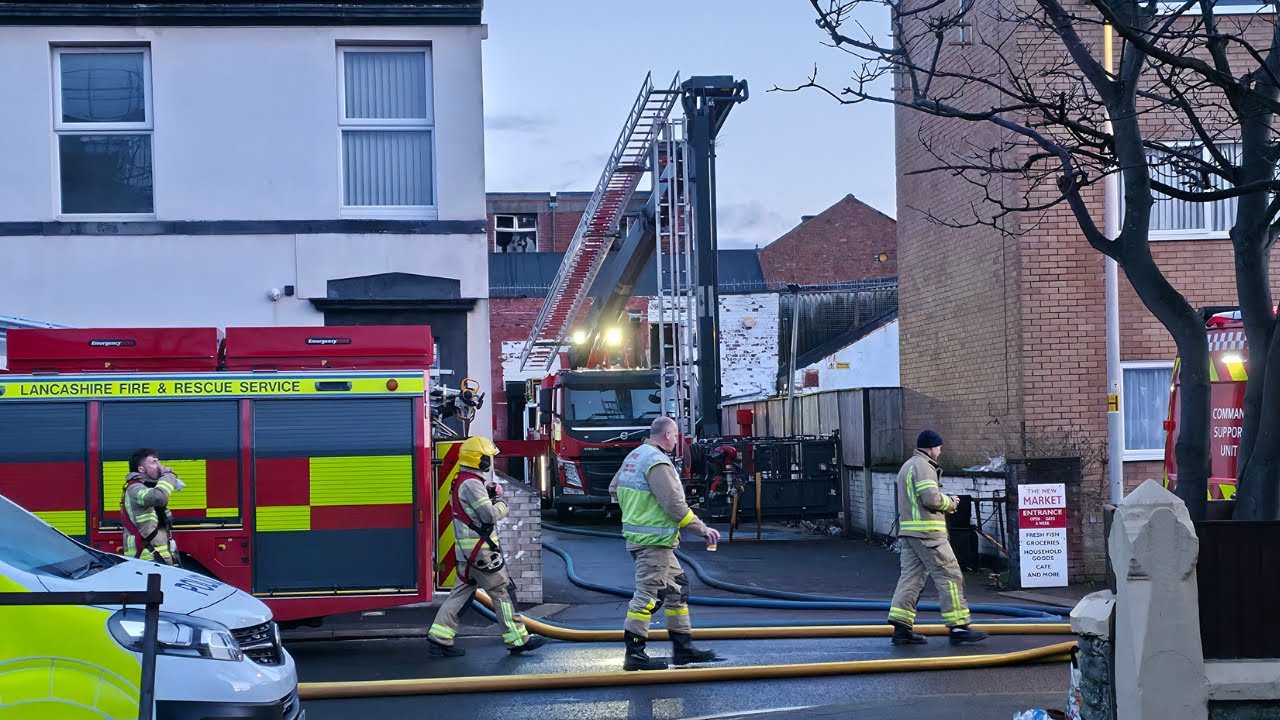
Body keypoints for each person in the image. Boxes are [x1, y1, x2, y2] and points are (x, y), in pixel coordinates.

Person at [609, 416, 721, 671]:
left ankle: (683, 648)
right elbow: (674, 505)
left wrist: (637, 512)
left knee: (677, 590)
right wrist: (703, 529)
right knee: (649, 595)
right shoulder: (657, 462)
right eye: (676, 435)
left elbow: (614, 488)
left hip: (651, 542)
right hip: (654, 543)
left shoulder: (636, 456)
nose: (677, 440)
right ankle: (635, 654)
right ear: (669, 434)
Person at [427, 435, 545, 657]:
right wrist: (502, 504)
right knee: (503, 593)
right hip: (482, 554)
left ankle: (439, 637)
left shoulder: (462, 480)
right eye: (487, 458)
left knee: (460, 595)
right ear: (479, 460)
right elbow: (488, 516)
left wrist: (488, 492)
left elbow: (473, 509)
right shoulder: (472, 484)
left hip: (468, 554)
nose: (489, 461)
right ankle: (517, 639)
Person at [887, 430, 989, 645]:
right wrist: (951, 502)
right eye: (939, 448)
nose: (940, 452)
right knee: (950, 576)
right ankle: (958, 626)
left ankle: (901, 628)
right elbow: (931, 500)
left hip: (909, 533)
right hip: (928, 534)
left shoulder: (907, 466)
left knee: (911, 579)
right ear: (933, 447)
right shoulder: (924, 466)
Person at [121, 448, 185, 566]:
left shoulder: (147, 487)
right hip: (146, 560)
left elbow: (164, 519)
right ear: (141, 469)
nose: (159, 466)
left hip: (157, 558)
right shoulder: (134, 488)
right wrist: (169, 475)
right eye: (154, 462)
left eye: (158, 461)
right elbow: (159, 497)